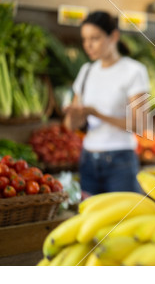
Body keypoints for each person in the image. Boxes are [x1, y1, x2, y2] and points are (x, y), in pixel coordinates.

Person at [63, 11, 150, 195]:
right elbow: (71, 126)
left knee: (123, 220)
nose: (88, 45)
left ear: (114, 36)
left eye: (95, 38)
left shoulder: (133, 71)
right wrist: (73, 115)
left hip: (120, 161)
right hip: (87, 159)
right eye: (85, 39)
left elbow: (141, 123)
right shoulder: (86, 71)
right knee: (91, 219)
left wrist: (97, 114)